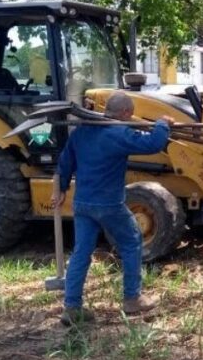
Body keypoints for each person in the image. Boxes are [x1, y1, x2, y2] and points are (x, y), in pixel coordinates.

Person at [51, 92, 175, 326]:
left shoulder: (82, 131)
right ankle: (132, 298)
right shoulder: (119, 133)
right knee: (132, 241)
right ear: (127, 113)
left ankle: (72, 307)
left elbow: (65, 162)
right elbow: (153, 144)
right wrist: (162, 124)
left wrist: (62, 187)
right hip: (109, 204)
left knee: (81, 252)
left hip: (83, 203)